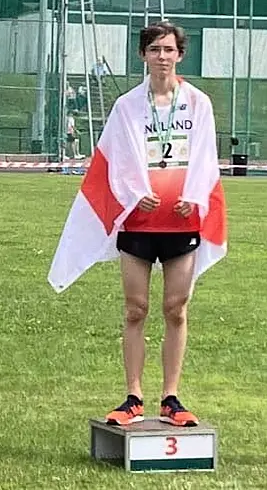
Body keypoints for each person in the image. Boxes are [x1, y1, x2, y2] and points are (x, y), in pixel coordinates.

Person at [48, 21, 228, 427]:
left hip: (181, 220)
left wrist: (195, 197)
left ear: (180, 55)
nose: (161, 57)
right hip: (139, 224)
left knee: (176, 308)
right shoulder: (127, 106)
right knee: (136, 309)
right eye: (154, 50)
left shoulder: (198, 103)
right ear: (142, 56)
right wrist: (132, 195)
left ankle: (172, 397)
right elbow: (115, 159)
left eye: (168, 50)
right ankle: (133, 396)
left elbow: (205, 157)